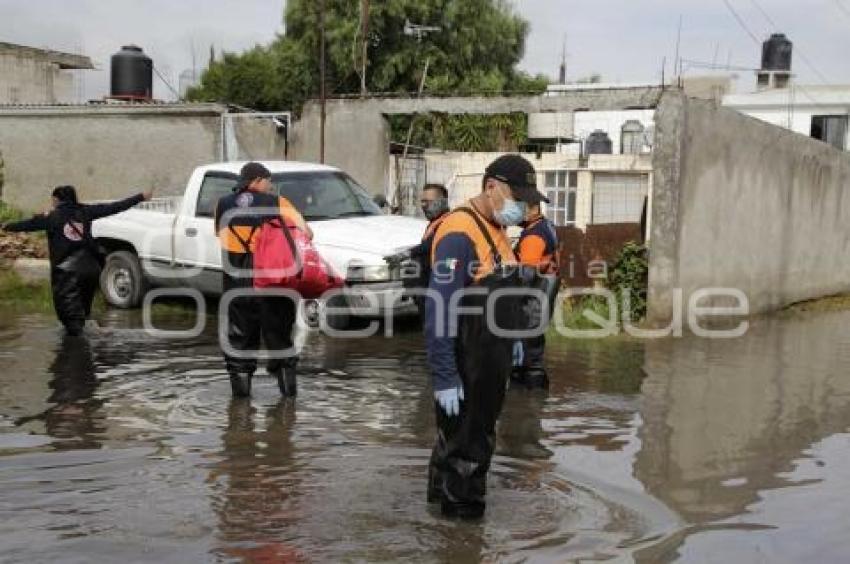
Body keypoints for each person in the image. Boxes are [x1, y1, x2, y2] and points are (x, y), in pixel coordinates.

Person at [425, 154, 545, 518]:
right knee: (468, 453)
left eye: (527, 199)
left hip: (490, 362)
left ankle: (437, 523)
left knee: (455, 444)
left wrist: (517, 341)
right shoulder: (458, 234)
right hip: (467, 367)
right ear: (491, 187)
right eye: (517, 197)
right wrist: (445, 375)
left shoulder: (495, 230)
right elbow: (439, 310)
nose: (523, 207)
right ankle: (462, 537)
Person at [214, 162, 312, 399]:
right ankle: (288, 405)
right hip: (272, 283)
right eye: (268, 181)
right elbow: (306, 233)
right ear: (257, 180)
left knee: (239, 343)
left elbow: (220, 233)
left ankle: (240, 413)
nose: (270, 186)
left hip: (237, 285)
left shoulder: (223, 204)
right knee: (280, 340)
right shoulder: (277, 203)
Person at [1, 185, 150, 336]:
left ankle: (78, 350)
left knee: (70, 320)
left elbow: (26, 225)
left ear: (56, 199)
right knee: (83, 316)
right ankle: (90, 345)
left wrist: (7, 226)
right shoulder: (86, 211)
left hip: (66, 274)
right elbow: (114, 207)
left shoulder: (51, 217)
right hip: (90, 270)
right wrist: (140, 197)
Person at [512, 200, 560, 389]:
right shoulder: (545, 225)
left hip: (533, 299)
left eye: (517, 209)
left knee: (526, 354)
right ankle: (535, 405)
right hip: (542, 296)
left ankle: (523, 405)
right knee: (534, 349)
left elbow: (526, 275)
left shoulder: (533, 236)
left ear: (531, 209)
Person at [385, 183, 451, 319]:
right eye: (422, 201)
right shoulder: (434, 222)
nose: (424, 206)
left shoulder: (449, 223)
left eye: (429, 202)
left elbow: (430, 244)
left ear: (443, 202)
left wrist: (406, 254)